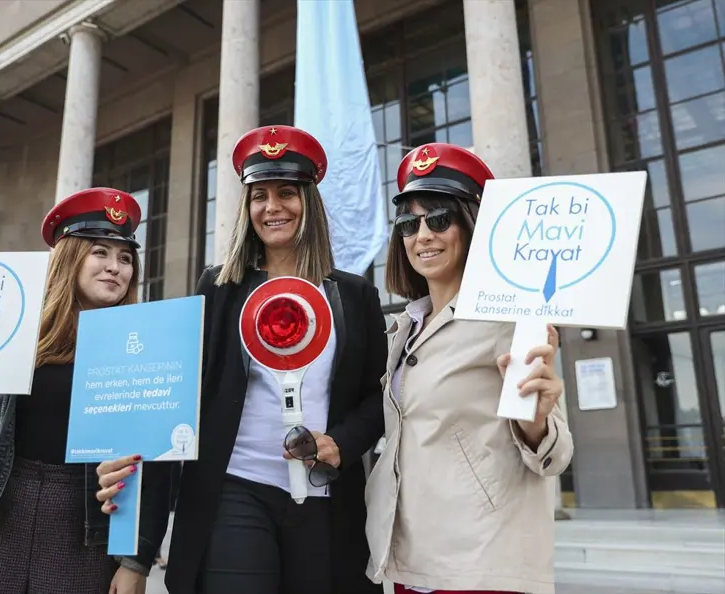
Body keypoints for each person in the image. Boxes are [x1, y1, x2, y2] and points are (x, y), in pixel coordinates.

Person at [96, 125, 388, 594]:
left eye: (286, 193)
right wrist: (137, 554)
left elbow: (379, 398)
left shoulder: (354, 296)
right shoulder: (219, 289)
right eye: (259, 196)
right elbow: (176, 402)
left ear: (308, 202)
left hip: (325, 497)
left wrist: (341, 442)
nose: (272, 207)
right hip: (235, 488)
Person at [0, 188, 171, 594]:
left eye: (126, 258)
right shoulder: (14, 331)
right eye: (100, 253)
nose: (115, 268)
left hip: (86, 533)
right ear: (70, 258)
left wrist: (136, 563)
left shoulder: (145, 347)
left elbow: (158, 468)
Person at [364, 143, 575, 594]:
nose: (423, 235)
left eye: (439, 219)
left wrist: (537, 420)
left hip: (482, 560)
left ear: (470, 225)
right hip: (411, 558)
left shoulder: (511, 318)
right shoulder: (406, 327)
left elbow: (553, 454)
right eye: (409, 224)